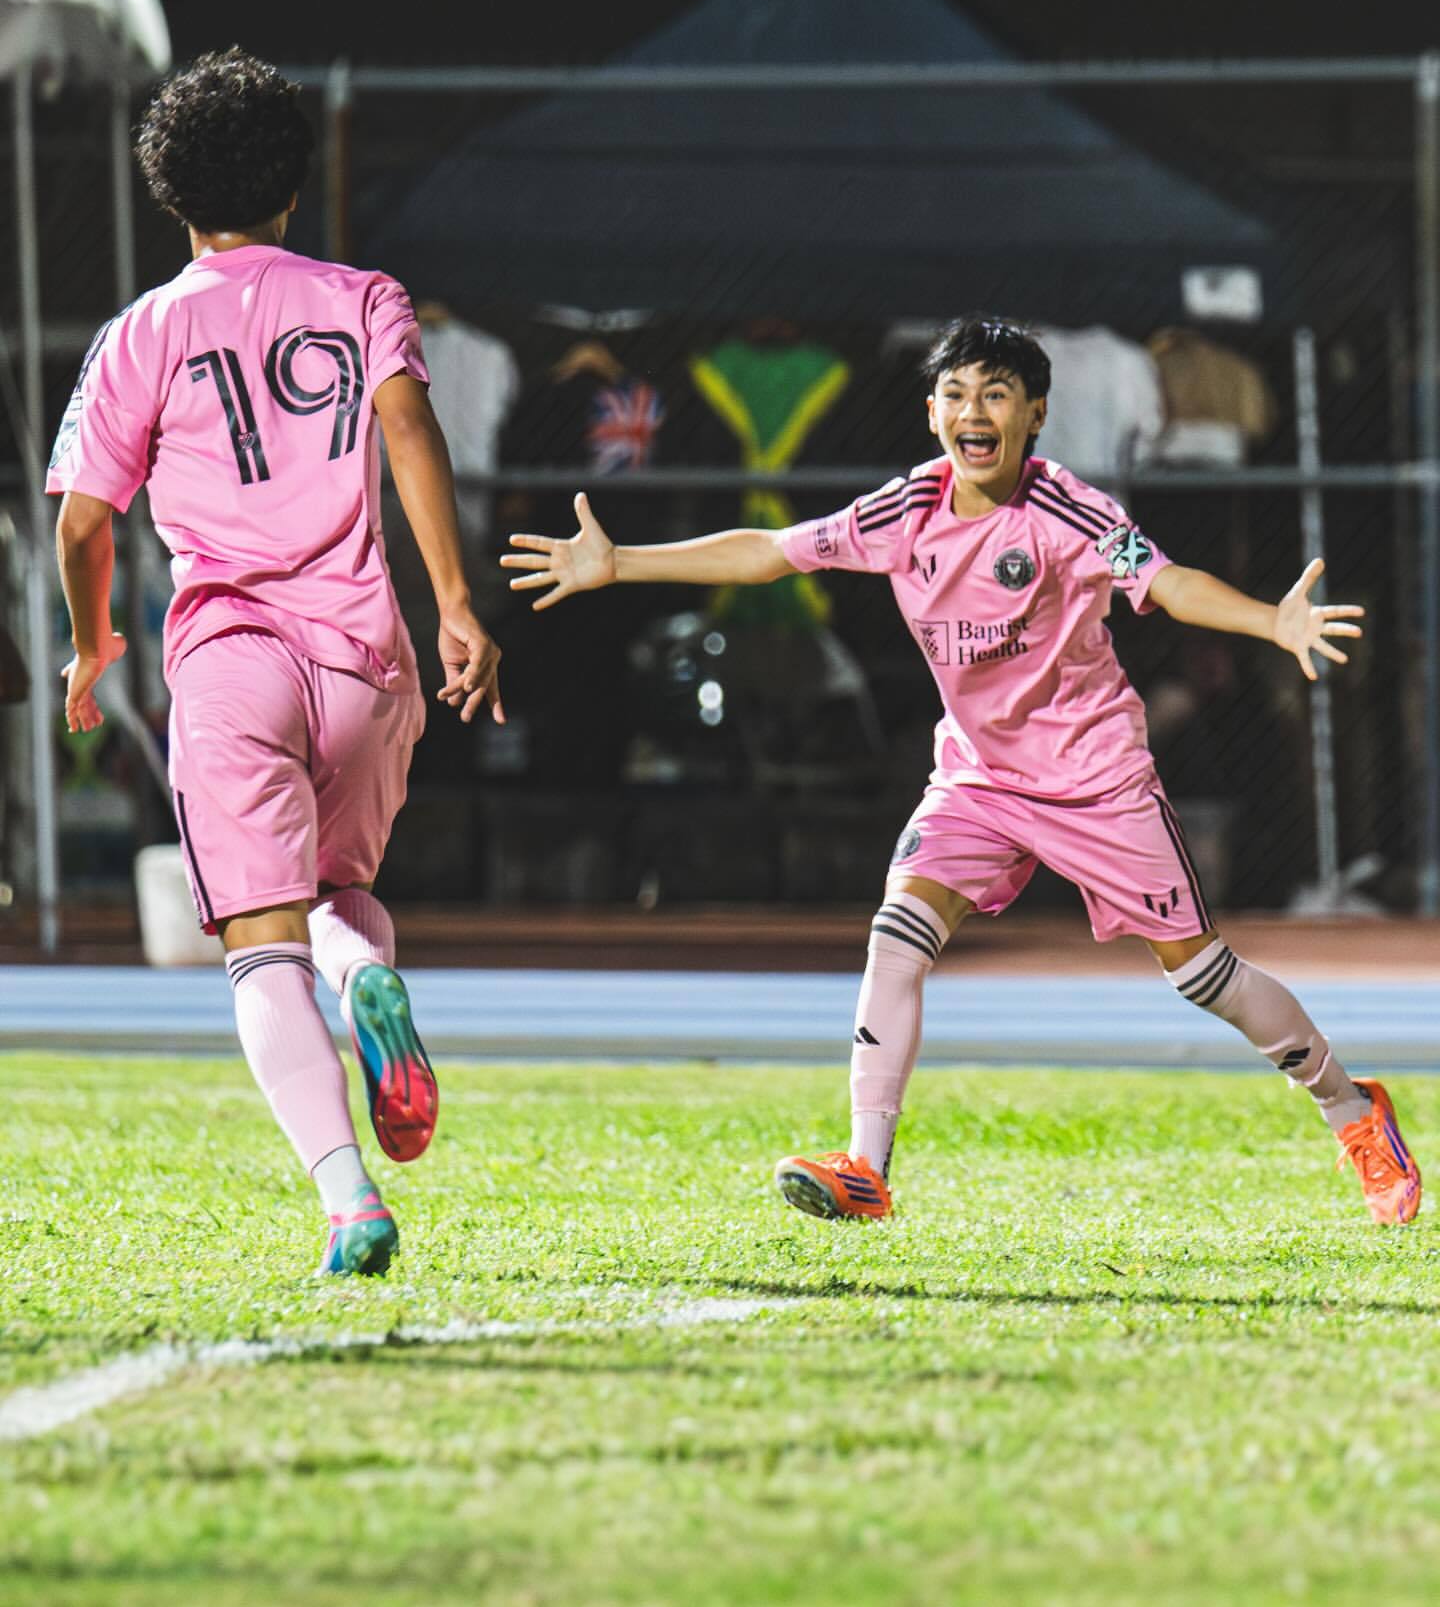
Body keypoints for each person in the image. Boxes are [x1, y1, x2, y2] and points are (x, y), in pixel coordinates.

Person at [502, 316, 1421, 1227]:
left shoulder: (1068, 511)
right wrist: (618, 562)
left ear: (1035, 415)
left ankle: (1352, 1108)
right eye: (955, 394)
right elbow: (770, 552)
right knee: (896, 935)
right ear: (932, 412)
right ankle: (866, 1166)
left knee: (1204, 975)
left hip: (1095, 778)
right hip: (979, 780)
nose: (973, 412)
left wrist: (1271, 621)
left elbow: (1167, 581)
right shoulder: (904, 510)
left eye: (995, 394)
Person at [48, 47, 503, 1275]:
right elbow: (410, 426)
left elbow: (83, 522)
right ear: (295, 188)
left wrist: (92, 646)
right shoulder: (364, 297)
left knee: (260, 942)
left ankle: (351, 1200)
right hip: (365, 656)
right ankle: (366, 982)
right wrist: (456, 603)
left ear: (170, 194)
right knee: (340, 893)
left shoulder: (143, 330)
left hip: (230, 658)